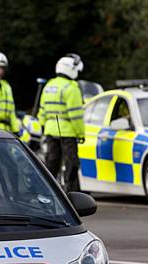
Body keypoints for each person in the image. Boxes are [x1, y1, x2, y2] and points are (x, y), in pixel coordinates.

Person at [37, 53, 85, 192]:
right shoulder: (71, 87)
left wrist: (44, 129)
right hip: (67, 133)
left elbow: (42, 112)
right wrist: (80, 133)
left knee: (51, 165)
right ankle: (72, 194)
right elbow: (75, 115)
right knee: (72, 165)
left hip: (51, 132)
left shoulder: (49, 86)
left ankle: (48, 194)